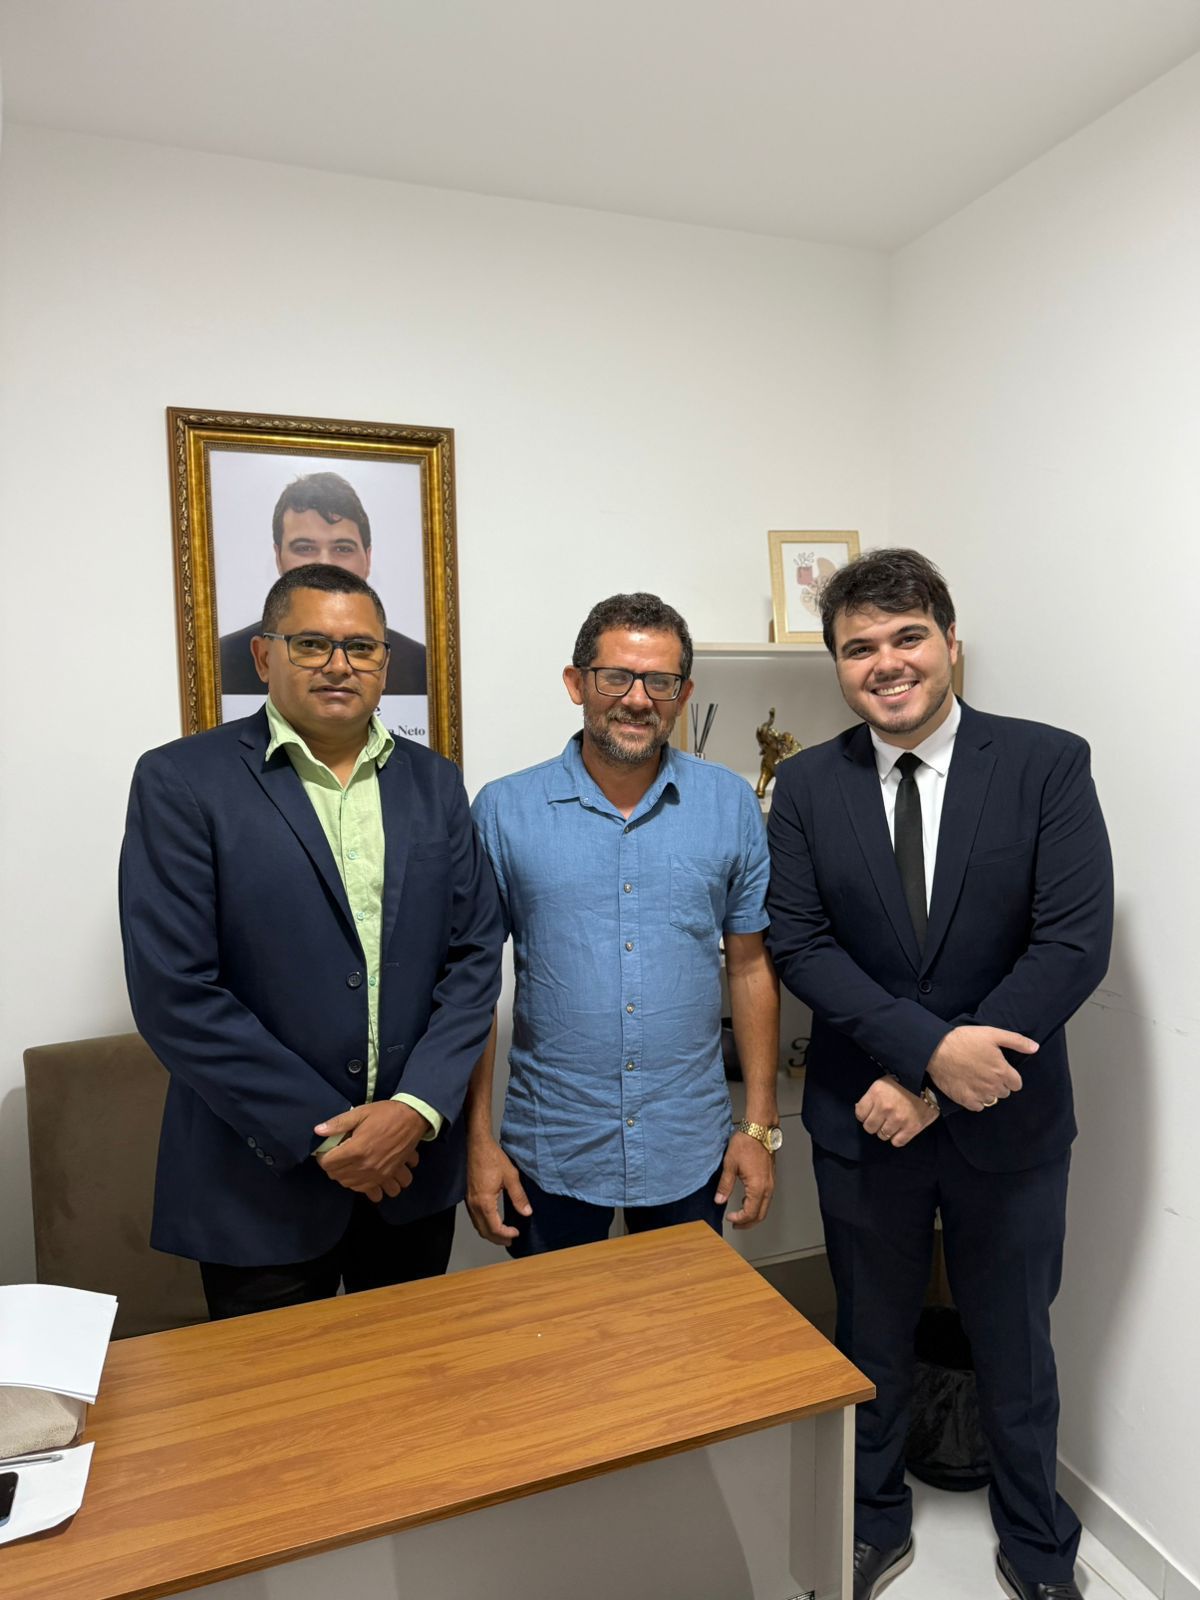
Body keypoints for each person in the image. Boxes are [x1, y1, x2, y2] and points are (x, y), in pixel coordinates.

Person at [765, 549, 1112, 1600]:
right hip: (862, 1119)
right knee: (868, 1337)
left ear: (950, 642)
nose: (887, 663)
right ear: (837, 665)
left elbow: (1071, 944)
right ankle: (869, 1521)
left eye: (907, 636)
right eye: (858, 647)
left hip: (1007, 1118)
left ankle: (1038, 1544)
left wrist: (932, 1078)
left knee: (1018, 1346)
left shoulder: (1046, 763)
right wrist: (924, 1053)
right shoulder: (806, 786)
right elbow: (800, 943)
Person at [120, 563, 502, 1319]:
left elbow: (474, 956)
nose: (339, 665)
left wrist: (416, 1108)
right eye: (311, 644)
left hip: (413, 1173)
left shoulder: (435, 782)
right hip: (258, 1184)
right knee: (273, 1395)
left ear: (385, 664)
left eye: (361, 647)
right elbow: (176, 992)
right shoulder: (181, 782)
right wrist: (330, 1138)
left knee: (413, 1379)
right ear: (263, 656)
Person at [466, 592, 781, 1258]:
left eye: (660, 681)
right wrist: (478, 1140)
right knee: (554, 1325)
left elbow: (751, 966)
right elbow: (472, 984)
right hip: (550, 1145)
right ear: (576, 683)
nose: (638, 700)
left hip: (688, 1146)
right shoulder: (503, 810)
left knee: (680, 1325)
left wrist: (758, 1126)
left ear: (683, 694)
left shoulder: (730, 804)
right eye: (616, 677)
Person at [219, 470, 427, 695]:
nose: (325, 562)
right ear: (278, 557)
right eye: (305, 548)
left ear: (367, 559)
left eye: (342, 549)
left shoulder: (419, 662)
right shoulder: (222, 658)